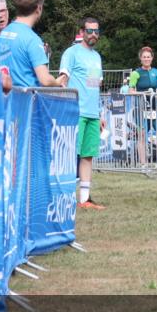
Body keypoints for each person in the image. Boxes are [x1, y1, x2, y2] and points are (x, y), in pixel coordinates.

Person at [59, 17, 105, 210]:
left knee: (87, 156)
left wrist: (100, 112)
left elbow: (94, 87)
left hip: (92, 114)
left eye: (96, 31)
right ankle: (65, 197)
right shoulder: (71, 53)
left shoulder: (96, 57)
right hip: (75, 111)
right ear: (81, 32)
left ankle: (84, 199)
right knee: (70, 156)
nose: (93, 34)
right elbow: (63, 80)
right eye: (89, 31)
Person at [0, 0, 66, 89]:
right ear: (38, 8)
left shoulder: (3, 33)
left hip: (6, 98)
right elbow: (45, 80)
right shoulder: (32, 40)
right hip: (27, 101)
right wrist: (57, 82)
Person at [128, 46, 157, 168]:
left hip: (154, 108)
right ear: (140, 58)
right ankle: (143, 164)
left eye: (148, 57)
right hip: (140, 109)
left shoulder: (156, 72)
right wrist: (143, 93)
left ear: (152, 58)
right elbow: (131, 91)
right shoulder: (135, 73)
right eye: (144, 57)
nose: (146, 59)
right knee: (142, 135)